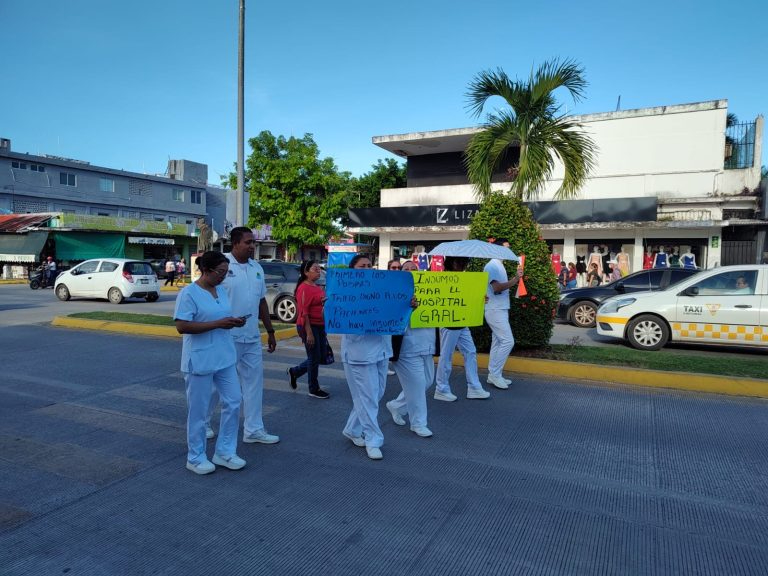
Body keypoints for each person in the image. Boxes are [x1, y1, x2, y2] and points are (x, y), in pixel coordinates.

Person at [174, 251, 247, 475]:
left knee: (234, 402)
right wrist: (217, 323)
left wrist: (233, 322)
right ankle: (195, 457)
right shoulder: (189, 294)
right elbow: (182, 326)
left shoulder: (221, 291)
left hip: (224, 357)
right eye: (220, 272)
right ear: (206, 270)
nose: (223, 277)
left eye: (226, 273)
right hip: (200, 359)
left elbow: (221, 317)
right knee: (199, 411)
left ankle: (224, 451)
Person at [208, 226, 280, 445]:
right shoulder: (222, 266)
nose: (252, 246)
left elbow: (261, 302)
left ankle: (254, 429)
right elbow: (209, 296)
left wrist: (270, 331)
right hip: (225, 336)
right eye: (248, 242)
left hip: (251, 337)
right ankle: (202, 423)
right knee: (215, 385)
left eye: (253, 243)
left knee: (254, 384)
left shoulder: (256, 267)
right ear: (235, 243)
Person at [340, 254, 391, 460]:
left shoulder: (382, 290)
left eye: (370, 266)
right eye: (363, 266)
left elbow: (394, 315)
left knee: (376, 394)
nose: (368, 269)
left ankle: (352, 428)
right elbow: (339, 321)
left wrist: (408, 307)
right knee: (368, 397)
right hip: (359, 352)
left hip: (382, 348)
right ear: (353, 270)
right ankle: (373, 439)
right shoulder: (344, 292)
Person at [386, 260, 435, 438]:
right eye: (404, 269)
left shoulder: (432, 290)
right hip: (406, 347)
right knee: (416, 386)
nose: (409, 271)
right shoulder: (391, 292)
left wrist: (476, 302)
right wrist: (406, 306)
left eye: (413, 269)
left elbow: (452, 306)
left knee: (427, 381)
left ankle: (397, 405)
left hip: (426, 344)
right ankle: (418, 423)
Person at [434, 257, 491, 402]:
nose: (464, 266)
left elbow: (468, 298)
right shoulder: (443, 279)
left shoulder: (464, 278)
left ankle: (474, 387)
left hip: (462, 321)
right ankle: (441, 388)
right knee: (446, 356)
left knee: (470, 352)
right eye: (462, 263)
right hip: (449, 321)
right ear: (453, 263)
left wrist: (480, 299)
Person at [287, 260, 331, 399]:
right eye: (315, 268)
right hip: (308, 326)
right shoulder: (303, 288)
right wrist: (309, 333)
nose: (319, 270)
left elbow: (317, 303)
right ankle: (313, 388)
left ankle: (295, 372)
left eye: (319, 268)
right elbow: (304, 312)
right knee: (314, 357)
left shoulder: (316, 286)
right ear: (306, 272)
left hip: (319, 325)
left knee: (319, 357)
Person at [483, 241, 522, 390]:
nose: (508, 250)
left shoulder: (499, 265)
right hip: (495, 309)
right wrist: (515, 280)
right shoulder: (492, 265)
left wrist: (514, 279)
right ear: (497, 249)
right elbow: (497, 287)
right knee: (507, 341)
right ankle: (494, 375)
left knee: (498, 342)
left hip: (499, 308)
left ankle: (493, 374)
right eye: (506, 247)